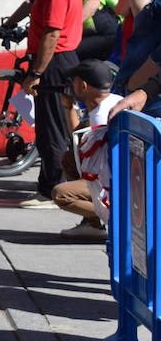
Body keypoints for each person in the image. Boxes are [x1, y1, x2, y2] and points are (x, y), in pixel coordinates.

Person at [17, 0, 83, 209]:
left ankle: (52, 191)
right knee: (51, 126)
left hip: (55, 61)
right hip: (59, 60)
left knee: (52, 129)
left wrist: (36, 72)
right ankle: (50, 185)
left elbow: (52, 34)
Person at [51, 60, 119, 240]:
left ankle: (117, 220)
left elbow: (81, 145)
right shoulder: (111, 102)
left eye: (74, 81)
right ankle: (93, 225)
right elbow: (78, 138)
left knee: (61, 194)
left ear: (83, 85)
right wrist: (68, 106)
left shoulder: (101, 117)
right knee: (69, 159)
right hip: (109, 174)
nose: (71, 85)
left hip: (112, 183)